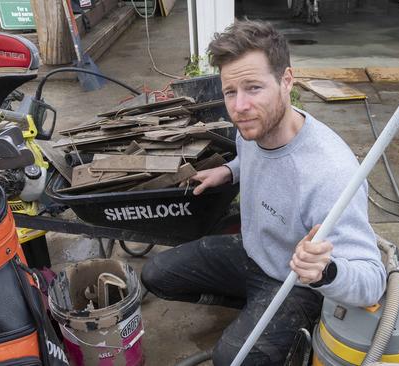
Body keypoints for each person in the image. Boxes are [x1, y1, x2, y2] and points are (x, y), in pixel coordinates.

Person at [140, 20, 386, 365]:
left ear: (286, 81)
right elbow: (254, 157)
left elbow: (373, 281)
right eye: (230, 92)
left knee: (230, 359)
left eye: (254, 88)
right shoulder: (253, 128)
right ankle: (256, 310)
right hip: (253, 252)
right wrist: (228, 170)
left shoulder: (329, 173)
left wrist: (325, 271)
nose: (239, 106)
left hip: (294, 282)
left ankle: (291, 329)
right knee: (155, 275)